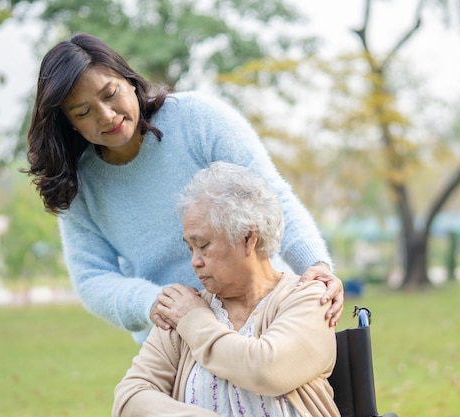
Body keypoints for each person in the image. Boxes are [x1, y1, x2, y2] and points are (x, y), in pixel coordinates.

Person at [23, 33, 343, 344]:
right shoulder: (78, 183)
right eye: (83, 112)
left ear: (130, 81)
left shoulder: (197, 119)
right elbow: (92, 278)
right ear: (70, 123)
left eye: (110, 94)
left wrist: (314, 265)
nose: (107, 116)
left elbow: (273, 197)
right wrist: (157, 302)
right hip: (177, 337)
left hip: (265, 316)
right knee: (136, 399)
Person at [113, 162, 340, 417]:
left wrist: (194, 321)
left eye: (204, 245)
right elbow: (130, 397)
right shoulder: (182, 309)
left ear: (248, 238)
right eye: (190, 248)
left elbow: (265, 370)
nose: (194, 261)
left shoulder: (309, 298)